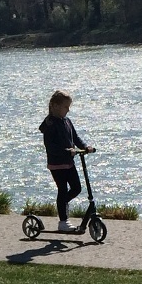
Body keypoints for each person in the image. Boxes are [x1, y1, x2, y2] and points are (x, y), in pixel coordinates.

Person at [39, 89, 96, 233]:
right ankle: (63, 221)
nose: (68, 110)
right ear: (55, 106)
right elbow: (50, 146)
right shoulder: (50, 124)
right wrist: (66, 151)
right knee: (62, 189)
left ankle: (63, 204)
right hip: (57, 164)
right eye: (66, 107)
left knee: (77, 188)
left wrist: (85, 147)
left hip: (69, 162)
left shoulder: (67, 121)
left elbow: (75, 138)